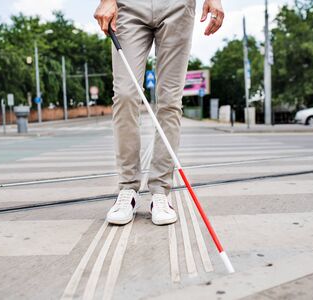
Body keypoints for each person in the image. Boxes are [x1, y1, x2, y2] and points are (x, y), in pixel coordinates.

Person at [94, 0, 224, 225]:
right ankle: (128, 189)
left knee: (170, 101)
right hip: (129, 6)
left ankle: (160, 192)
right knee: (126, 94)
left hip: (177, 6)